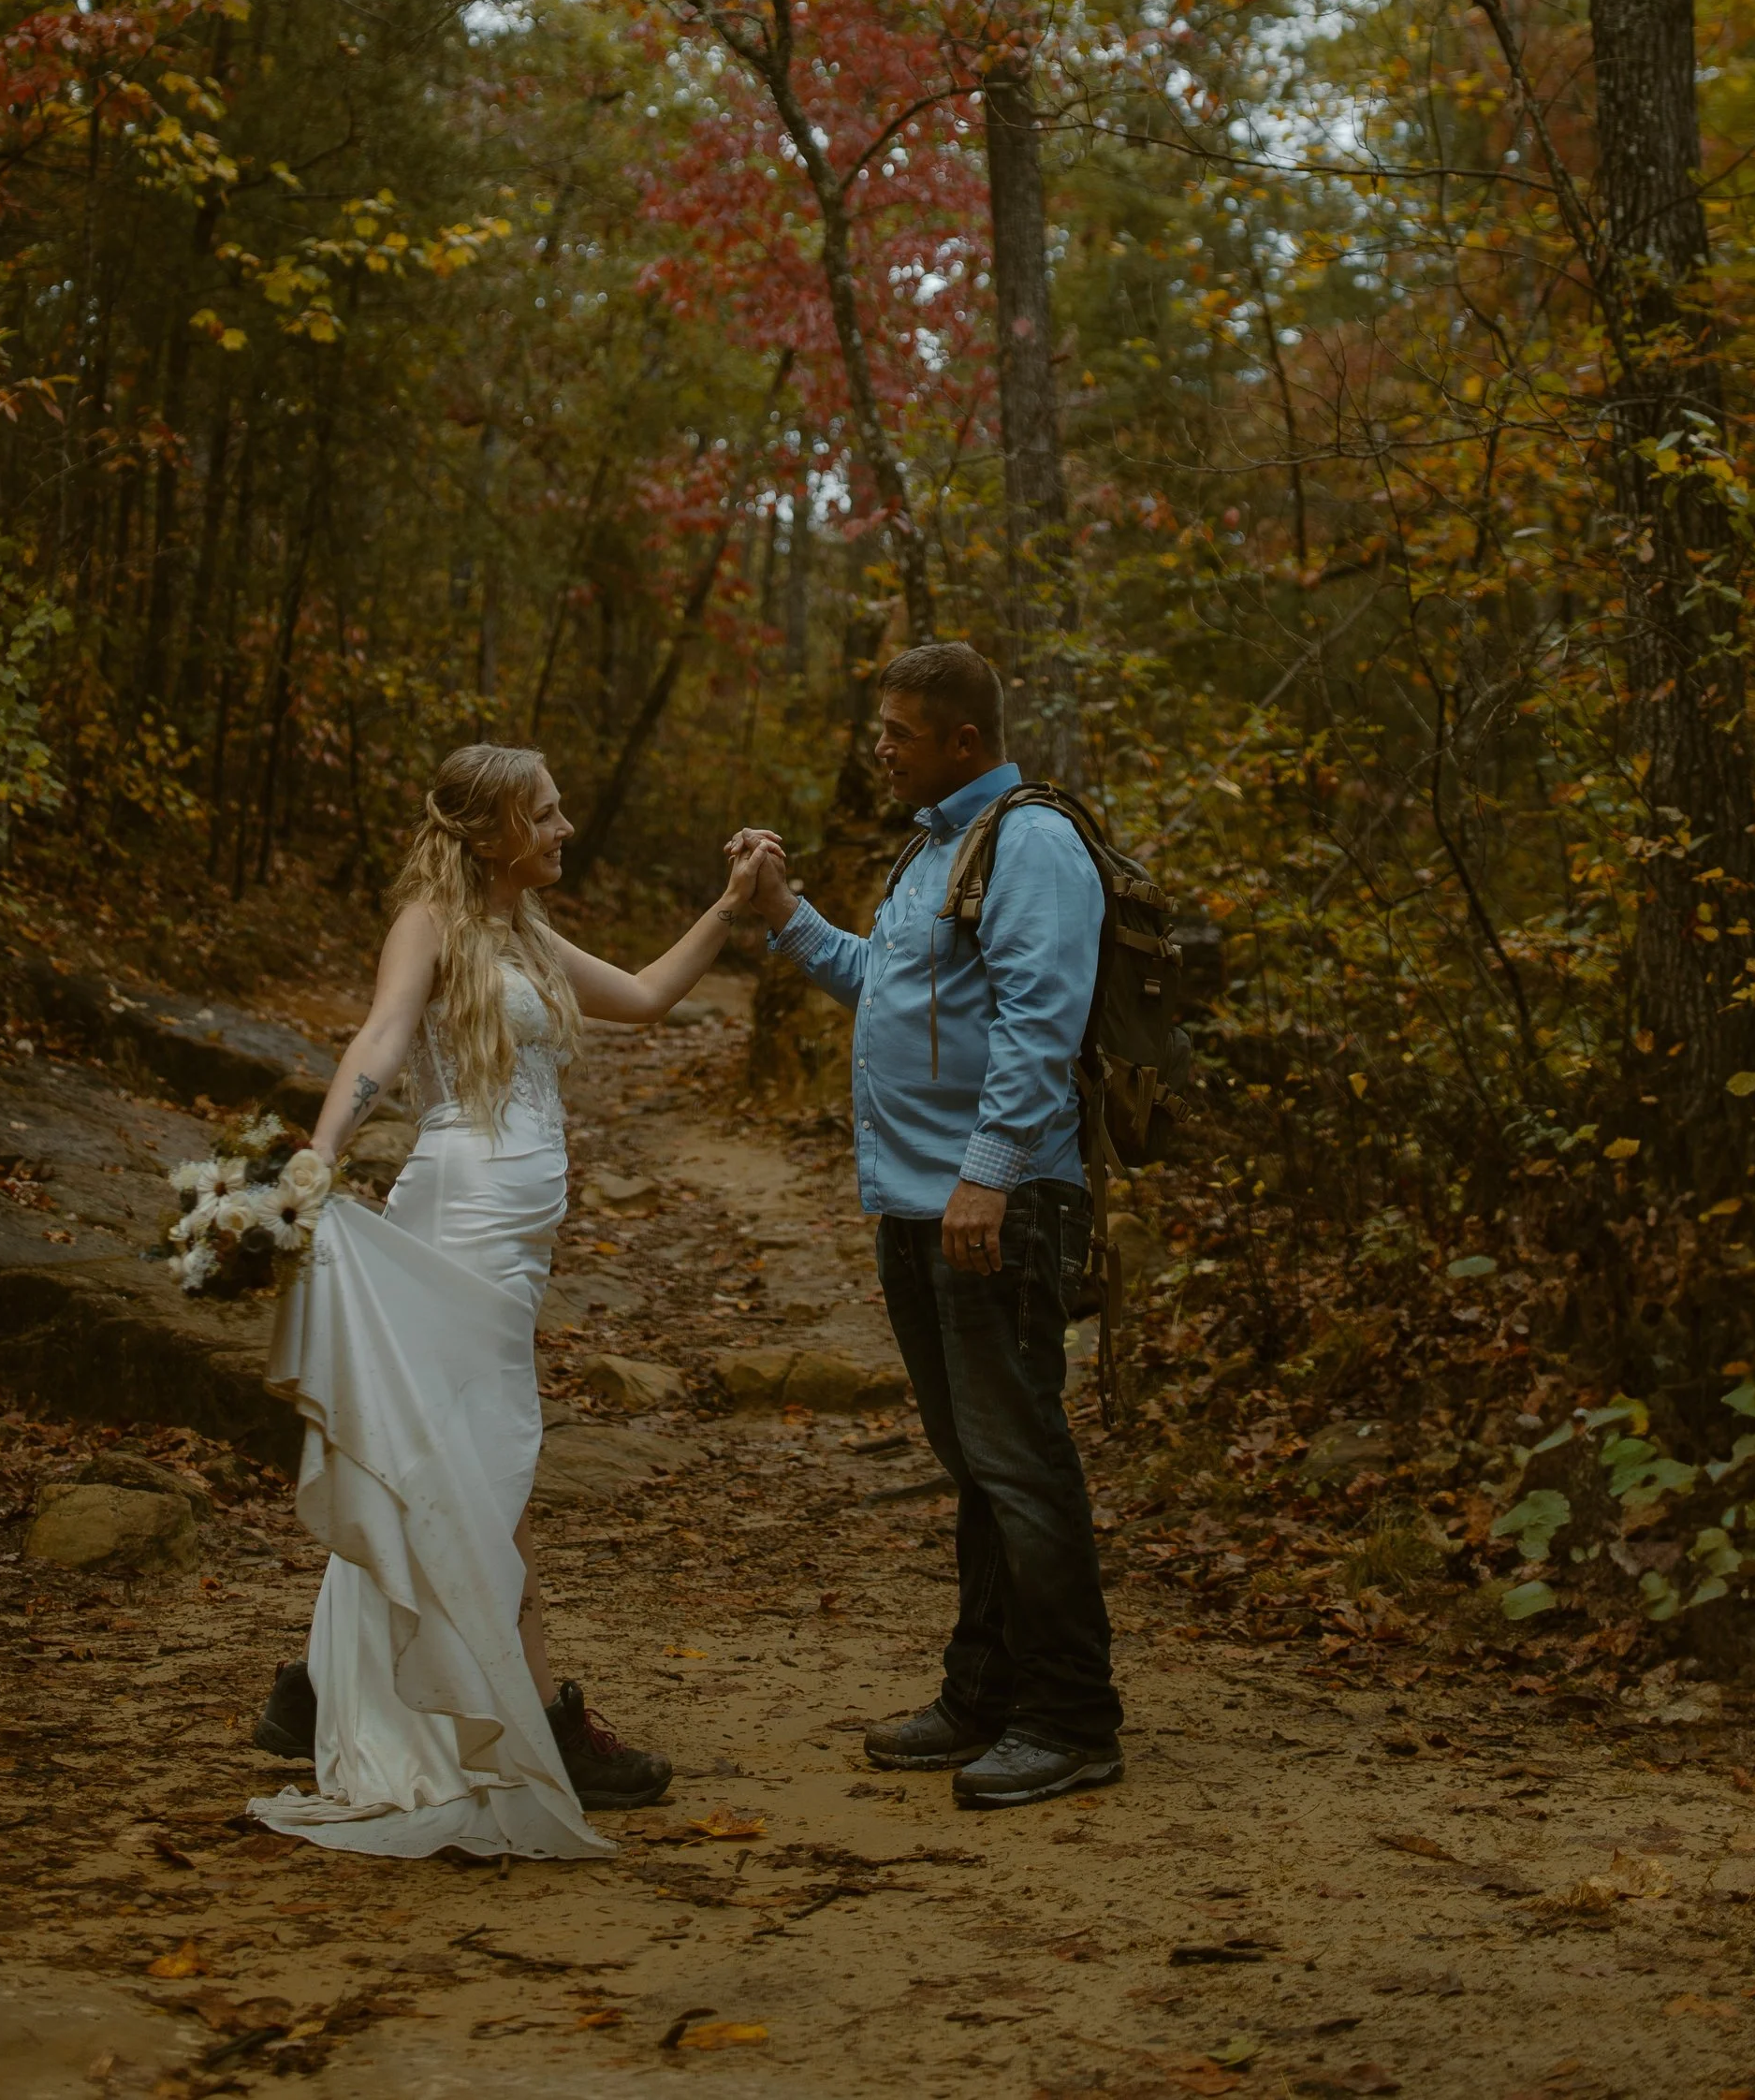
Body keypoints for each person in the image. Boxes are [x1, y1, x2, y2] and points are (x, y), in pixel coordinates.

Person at [247, 741, 769, 1863]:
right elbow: (382, 1038)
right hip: (463, 1216)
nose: (565, 826)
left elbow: (643, 997)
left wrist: (729, 908)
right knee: (485, 1465)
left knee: (453, 1458)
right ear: (490, 834)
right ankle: (532, 1712)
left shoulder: (524, 933)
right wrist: (319, 1154)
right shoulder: (429, 925)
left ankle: (320, 1684)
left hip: (515, 1240)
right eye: (545, 813)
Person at [735, 639, 1122, 1808]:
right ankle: (982, 1694)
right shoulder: (933, 848)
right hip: (921, 1201)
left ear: (964, 740)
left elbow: (1040, 1021)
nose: (880, 748)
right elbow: (891, 986)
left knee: (1018, 1456)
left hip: (990, 1203)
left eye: (899, 732)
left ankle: (1070, 1717)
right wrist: (785, 914)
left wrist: (987, 1178)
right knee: (975, 1461)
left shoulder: (1034, 843)